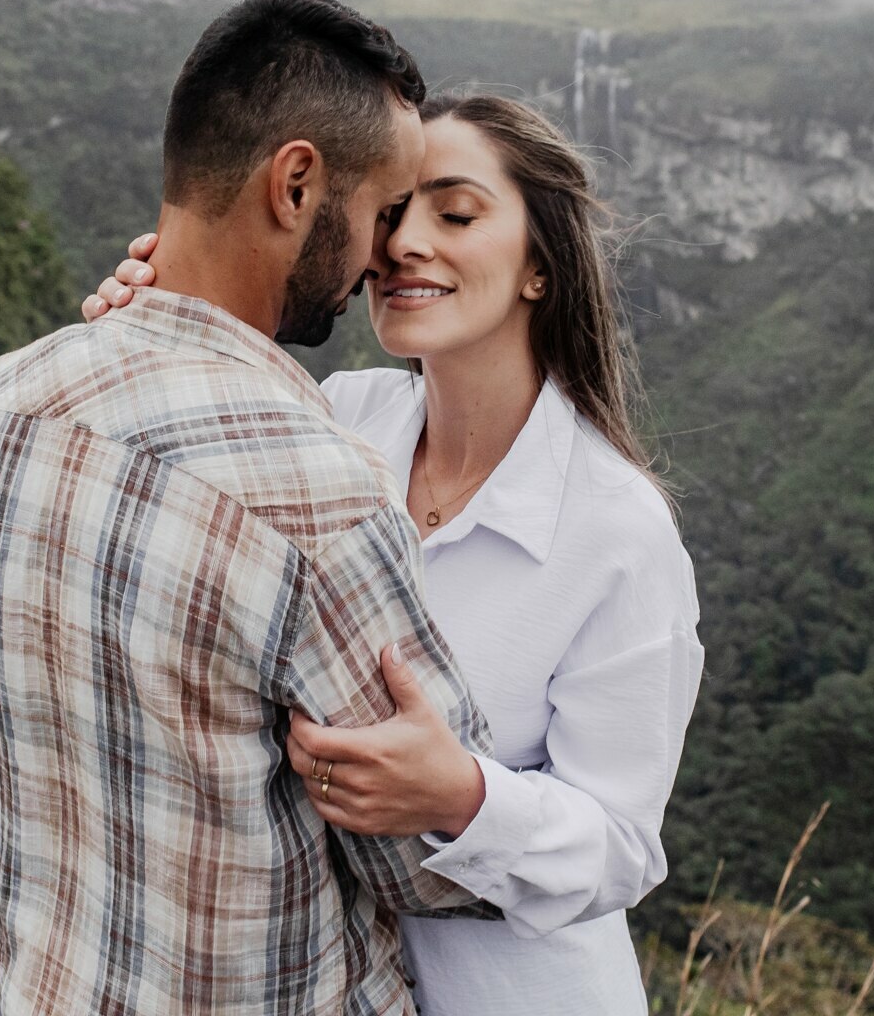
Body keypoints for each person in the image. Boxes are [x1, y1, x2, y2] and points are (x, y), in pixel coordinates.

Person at [0, 0, 499, 1016]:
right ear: (296, 184)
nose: (383, 253)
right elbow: (435, 865)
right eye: (379, 210)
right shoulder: (317, 498)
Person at [84, 90, 705, 1015]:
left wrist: (459, 795)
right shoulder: (338, 416)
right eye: (392, 213)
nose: (403, 245)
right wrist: (147, 322)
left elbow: (622, 846)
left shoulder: (618, 528)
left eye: (454, 214)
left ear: (541, 265)